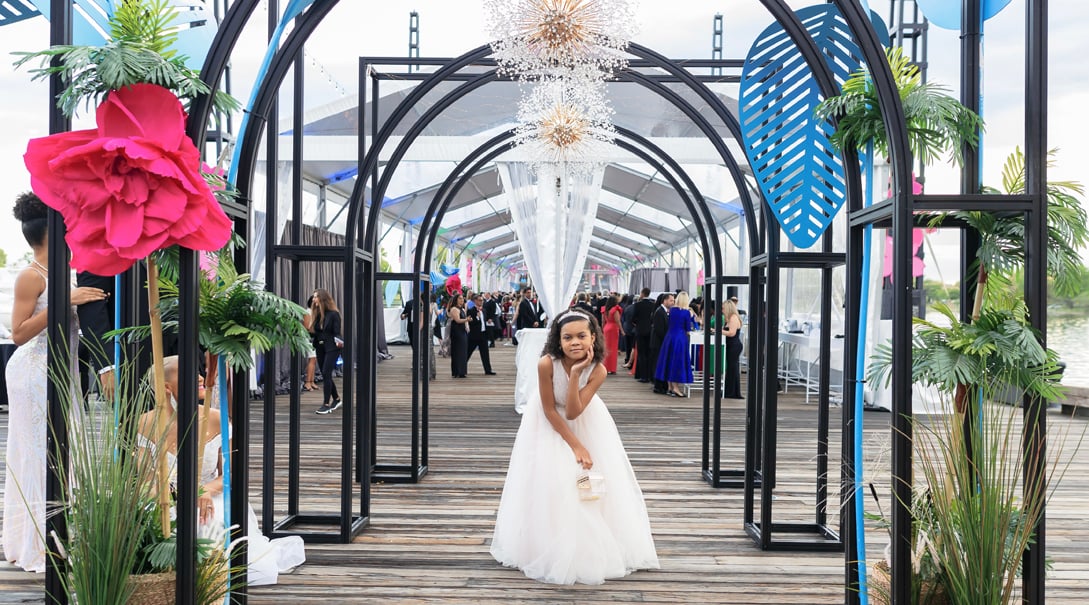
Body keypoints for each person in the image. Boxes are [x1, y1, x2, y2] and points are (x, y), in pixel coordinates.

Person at [490, 309, 659, 584]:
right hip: (547, 423)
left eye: (582, 336)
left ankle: (587, 546)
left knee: (588, 482)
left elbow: (573, 411)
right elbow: (551, 411)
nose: (575, 342)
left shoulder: (598, 370)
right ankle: (546, 544)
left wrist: (577, 373)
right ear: (558, 340)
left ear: (593, 337)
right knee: (553, 480)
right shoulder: (546, 363)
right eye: (567, 337)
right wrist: (576, 445)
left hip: (584, 418)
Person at [3, 192, 107, 573]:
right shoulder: (32, 276)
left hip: (63, 370)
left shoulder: (68, 274)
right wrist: (65, 300)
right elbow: (17, 333)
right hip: (33, 371)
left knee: (67, 449)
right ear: (51, 234)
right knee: (37, 452)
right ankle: (36, 540)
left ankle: (61, 533)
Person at [136, 355, 305, 585]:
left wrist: (203, 489)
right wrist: (174, 494)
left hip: (210, 494)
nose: (198, 376)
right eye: (186, 373)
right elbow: (147, 483)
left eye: (196, 371)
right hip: (167, 499)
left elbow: (233, 473)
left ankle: (212, 571)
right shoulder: (145, 424)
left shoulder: (215, 419)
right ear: (167, 387)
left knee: (213, 518)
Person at [654, 291, 695, 398]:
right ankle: (676, 388)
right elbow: (687, 328)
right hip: (680, 339)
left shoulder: (672, 310)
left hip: (669, 337)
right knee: (678, 362)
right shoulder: (686, 312)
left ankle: (670, 387)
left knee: (669, 361)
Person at [311, 289, 343, 414]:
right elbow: (316, 332)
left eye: (315, 297)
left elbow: (337, 332)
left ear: (322, 299)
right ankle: (336, 398)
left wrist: (339, 342)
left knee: (326, 372)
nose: (313, 300)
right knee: (325, 374)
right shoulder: (317, 313)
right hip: (320, 346)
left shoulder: (334, 314)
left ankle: (326, 404)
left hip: (332, 347)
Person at [649, 292, 674, 395]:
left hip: (660, 343)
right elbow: (660, 330)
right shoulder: (660, 312)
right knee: (658, 364)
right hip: (658, 343)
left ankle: (661, 385)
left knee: (660, 364)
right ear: (665, 301)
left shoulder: (664, 311)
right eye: (671, 300)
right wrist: (667, 338)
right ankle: (658, 386)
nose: (673, 302)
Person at [720, 299, 745, 399]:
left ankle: (732, 392)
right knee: (731, 368)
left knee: (732, 368)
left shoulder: (733, 318)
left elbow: (731, 333)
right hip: (731, 345)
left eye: (723, 308)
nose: (722, 310)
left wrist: (719, 331)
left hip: (734, 345)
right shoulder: (729, 318)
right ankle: (730, 391)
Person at [629, 288, 655, 383]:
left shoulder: (637, 305)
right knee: (649, 353)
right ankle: (649, 375)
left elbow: (633, 318)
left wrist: (637, 324)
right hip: (650, 331)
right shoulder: (653, 305)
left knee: (641, 353)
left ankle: (643, 376)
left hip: (640, 331)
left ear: (642, 294)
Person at [466, 294, 496, 375]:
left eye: (482, 300)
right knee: (468, 352)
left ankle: (488, 370)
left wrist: (489, 320)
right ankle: (462, 369)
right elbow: (471, 322)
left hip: (483, 334)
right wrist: (477, 317)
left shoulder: (484, 310)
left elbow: (485, 320)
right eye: (480, 300)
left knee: (485, 353)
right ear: (475, 301)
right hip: (474, 335)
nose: (481, 302)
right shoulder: (471, 310)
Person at [447, 293, 469, 378]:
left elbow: (464, 319)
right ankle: (457, 371)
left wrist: (467, 325)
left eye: (462, 299)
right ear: (456, 300)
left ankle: (461, 371)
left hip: (462, 330)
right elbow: (457, 320)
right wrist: (466, 320)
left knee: (462, 351)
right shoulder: (454, 309)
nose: (462, 300)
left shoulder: (462, 309)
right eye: (460, 298)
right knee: (457, 351)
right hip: (457, 331)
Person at [601, 293, 622, 374]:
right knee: (613, 349)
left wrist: (602, 329)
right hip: (613, 328)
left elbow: (603, 321)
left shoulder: (604, 309)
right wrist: (622, 331)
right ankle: (612, 368)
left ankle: (605, 367)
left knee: (606, 348)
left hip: (606, 328)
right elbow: (618, 321)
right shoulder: (615, 309)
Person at [301, 293, 318, 391]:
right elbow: (306, 327)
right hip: (307, 338)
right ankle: (307, 382)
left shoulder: (315, 313)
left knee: (314, 360)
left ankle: (312, 381)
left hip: (313, 338)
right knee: (312, 359)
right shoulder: (307, 312)